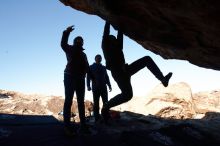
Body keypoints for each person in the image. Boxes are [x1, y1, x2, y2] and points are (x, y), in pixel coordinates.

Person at [101, 21, 173, 122]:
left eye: (114, 39)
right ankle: (105, 107)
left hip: (126, 69)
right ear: (108, 40)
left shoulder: (118, 46)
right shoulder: (106, 47)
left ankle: (163, 79)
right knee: (127, 95)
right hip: (117, 72)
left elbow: (120, 34)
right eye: (112, 38)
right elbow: (105, 33)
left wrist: (119, 21)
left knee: (147, 59)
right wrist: (108, 19)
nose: (114, 39)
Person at [61, 25, 91, 136]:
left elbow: (87, 68)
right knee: (68, 100)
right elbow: (63, 44)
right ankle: (66, 126)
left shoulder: (84, 54)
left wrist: (92, 78)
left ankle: (83, 125)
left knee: (81, 102)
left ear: (82, 43)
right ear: (74, 42)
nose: (79, 42)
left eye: (81, 41)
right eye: (77, 40)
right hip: (69, 76)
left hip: (80, 79)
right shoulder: (70, 48)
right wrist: (67, 32)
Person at [87, 54, 112, 122]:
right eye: (97, 58)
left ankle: (105, 116)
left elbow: (106, 77)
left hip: (104, 87)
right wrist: (88, 86)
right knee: (96, 103)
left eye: (100, 58)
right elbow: (88, 77)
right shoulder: (91, 67)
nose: (99, 59)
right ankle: (96, 117)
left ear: (101, 59)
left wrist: (109, 85)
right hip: (95, 88)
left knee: (106, 102)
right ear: (95, 59)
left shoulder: (103, 67)